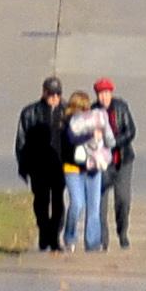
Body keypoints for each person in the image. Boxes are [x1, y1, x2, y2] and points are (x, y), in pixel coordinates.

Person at [11, 77, 68, 252]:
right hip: (38, 165)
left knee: (58, 201)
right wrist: (24, 164)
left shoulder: (67, 112)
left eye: (58, 94)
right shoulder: (30, 112)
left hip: (60, 164)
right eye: (51, 94)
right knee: (41, 201)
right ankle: (44, 231)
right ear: (43, 92)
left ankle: (54, 236)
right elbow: (21, 141)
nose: (54, 98)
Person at [63, 87, 112, 252]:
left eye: (86, 108)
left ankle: (92, 244)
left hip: (93, 168)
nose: (85, 112)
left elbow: (107, 139)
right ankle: (69, 236)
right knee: (77, 204)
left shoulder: (94, 119)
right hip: (72, 169)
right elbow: (71, 139)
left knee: (94, 207)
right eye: (82, 108)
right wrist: (90, 135)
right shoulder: (68, 122)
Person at [97, 77, 138, 248]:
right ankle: (103, 239)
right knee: (99, 204)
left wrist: (115, 142)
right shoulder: (93, 112)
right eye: (101, 94)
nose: (104, 97)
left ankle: (122, 233)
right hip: (102, 163)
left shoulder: (121, 108)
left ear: (111, 94)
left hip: (122, 160)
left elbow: (131, 131)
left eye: (106, 93)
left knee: (123, 199)